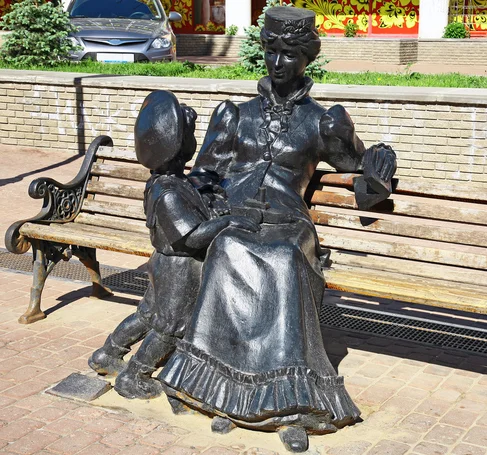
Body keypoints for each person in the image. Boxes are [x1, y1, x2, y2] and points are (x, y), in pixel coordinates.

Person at [158, 7, 396, 453]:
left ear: (307, 57)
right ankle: (223, 397)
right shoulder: (235, 114)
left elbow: (364, 177)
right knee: (227, 247)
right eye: (272, 52)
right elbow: (205, 175)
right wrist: (203, 210)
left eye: (289, 54)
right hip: (238, 218)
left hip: (290, 225)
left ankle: (291, 407)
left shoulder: (323, 122)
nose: (278, 63)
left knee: (284, 259)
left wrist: (380, 166)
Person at [88, 90, 258, 400]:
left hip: (163, 262)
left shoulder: (171, 182)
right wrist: (227, 223)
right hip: (180, 266)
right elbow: (191, 237)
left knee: (148, 314)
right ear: (179, 150)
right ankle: (135, 374)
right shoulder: (168, 192)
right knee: (170, 325)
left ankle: (108, 353)